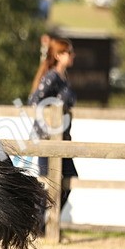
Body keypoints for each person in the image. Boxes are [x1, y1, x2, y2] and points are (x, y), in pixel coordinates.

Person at [29, 35, 78, 206]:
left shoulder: (62, 77)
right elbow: (34, 100)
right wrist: (49, 118)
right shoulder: (52, 77)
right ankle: (40, 224)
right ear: (58, 55)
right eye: (69, 52)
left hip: (62, 138)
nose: (73, 55)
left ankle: (47, 222)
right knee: (47, 183)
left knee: (69, 178)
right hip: (47, 138)